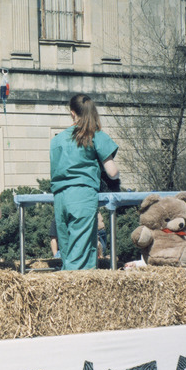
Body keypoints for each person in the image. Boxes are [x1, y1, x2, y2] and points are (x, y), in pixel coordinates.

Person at [49, 94, 119, 270]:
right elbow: (112, 172)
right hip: (82, 195)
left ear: (72, 113)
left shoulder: (57, 140)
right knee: (81, 255)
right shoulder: (95, 135)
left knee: (67, 252)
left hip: (60, 198)